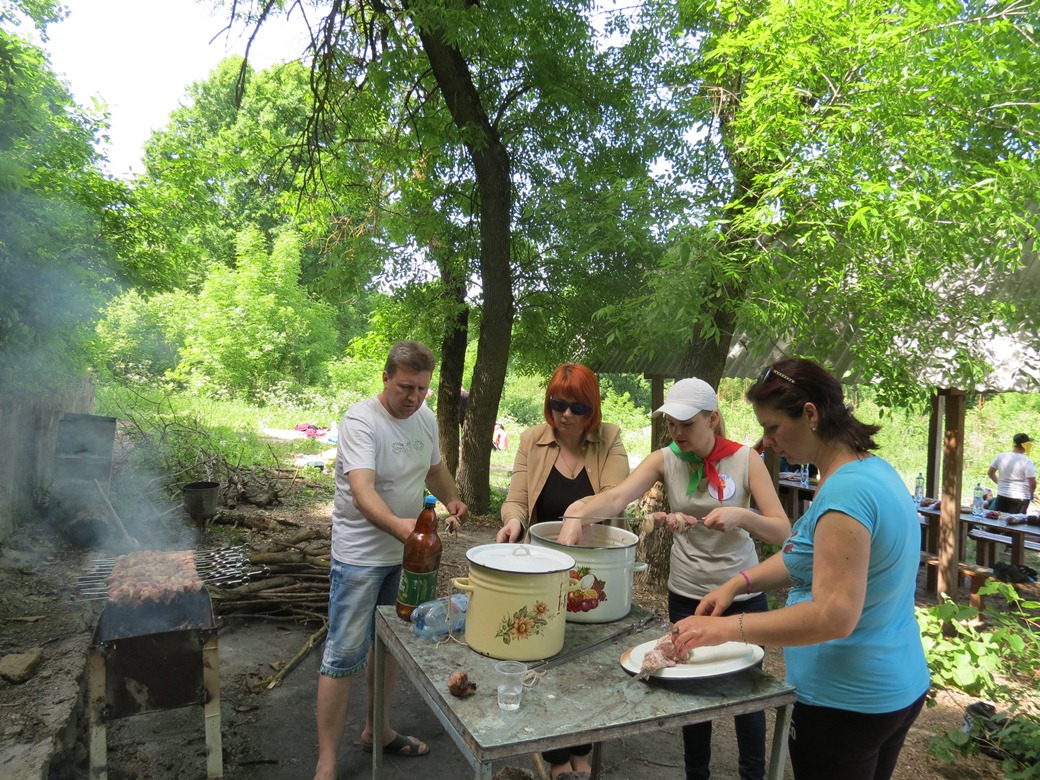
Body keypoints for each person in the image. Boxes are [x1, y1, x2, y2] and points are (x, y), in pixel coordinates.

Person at [669, 359, 930, 780]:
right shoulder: (870, 470)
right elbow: (806, 555)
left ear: (810, 414)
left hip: (845, 702)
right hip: (895, 686)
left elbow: (833, 615)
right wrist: (738, 583)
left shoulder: (845, 494)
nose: (768, 442)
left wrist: (725, 629)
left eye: (773, 427)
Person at [559, 377, 790, 780]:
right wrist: (577, 515)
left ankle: (753, 773)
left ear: (712, 419)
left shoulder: (745, 460)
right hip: (687, 593)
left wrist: (743, 517)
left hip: (741, 593)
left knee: (748, 693)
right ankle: (695, 773)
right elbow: (617, 498)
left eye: (687, 424)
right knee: (688, 688)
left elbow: (782, 531)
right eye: (671, 423)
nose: (677, 432)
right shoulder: (665, 458)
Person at [314, 340, 468, 780]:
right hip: (359, 558)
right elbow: (362, 493)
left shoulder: (425, 418)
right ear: (385, 378)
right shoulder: (361, 420)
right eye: (405, 387)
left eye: (422, 389)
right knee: (343, 653)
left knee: (390, 648)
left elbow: (434, 469)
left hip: (405, 558)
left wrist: (453, 498)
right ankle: (326, 763)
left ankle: (377, 731)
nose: (414, 397)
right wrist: (406, 530)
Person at [496, 363, 629, 780]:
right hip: (544, 568)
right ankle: (556, 755)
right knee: (547, 654)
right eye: (558, 404)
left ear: (592, 409)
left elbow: (616, 494)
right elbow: (517, 499)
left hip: (595, 572)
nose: (566, 415)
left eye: (577, 407)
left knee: (589, 660)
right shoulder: (531, 440)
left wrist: (578, 510)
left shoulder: (610, 438)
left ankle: (581, 745)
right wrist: (513, 521)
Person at [988, 433, 1036, 515]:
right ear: (1026, 445)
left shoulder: (1001, 457)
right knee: (1017, 521)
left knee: (999, 519)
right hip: (1021, 498)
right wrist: (1031, 494)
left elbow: (990, 473)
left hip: (1002, 495)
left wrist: (1000, 483)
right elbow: (1032, 483)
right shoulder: (1027, 461)